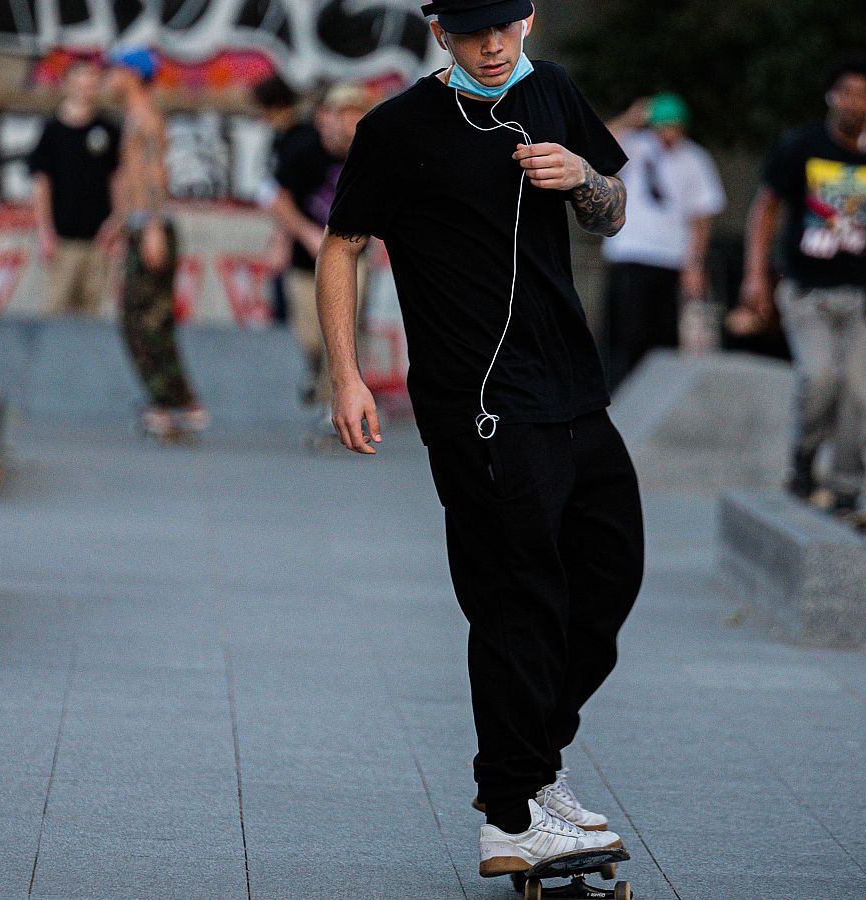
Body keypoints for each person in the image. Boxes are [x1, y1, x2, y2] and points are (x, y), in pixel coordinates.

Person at [318, 0, 637, 878]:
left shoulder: (553, 92)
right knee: (516, 597)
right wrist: (347, 376)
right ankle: (510, 810)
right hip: (482, 407)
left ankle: (535, 768)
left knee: (609, 579)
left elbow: (610, 212)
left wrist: (580, 177)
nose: (491, 46)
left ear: (528, 19)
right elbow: (340, 247)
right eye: (470, 33)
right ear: (439, 34)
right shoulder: (397, 128)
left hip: (574, 391)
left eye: (503, 26)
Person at [740, 56, 866, 512]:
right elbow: (766, 208)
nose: (853, 102)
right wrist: (755, 274)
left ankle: (846, 487)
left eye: (863, 95)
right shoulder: (801, 145)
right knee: (818, 378)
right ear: (831, 97)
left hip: (863, 293)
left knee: (861, 395)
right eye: (845, 93)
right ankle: (803, 460)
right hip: (806, 288)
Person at [105, 47, 206, 440]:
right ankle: (169, 402)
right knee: (138, 319)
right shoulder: (134, 116)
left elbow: (153, 174)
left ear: (131, 74)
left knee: (147, 321)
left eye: (114, 71)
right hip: (139, 223)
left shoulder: (145, 117)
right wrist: (119, 222)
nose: (109, 79)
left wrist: (151, 226)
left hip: (150, 225)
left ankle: (177, 403)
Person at [601, 92, 725, 387]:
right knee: (623, 335)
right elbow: (595, 145)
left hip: (670, 257)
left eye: (675, 126)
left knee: (663, 338)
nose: (669, 133)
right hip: (630, 253)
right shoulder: (634, 145)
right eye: (664, 125)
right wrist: (631, 118)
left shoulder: (695, 158)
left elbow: (701, 218)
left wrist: (694, 265)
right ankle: (617, 392)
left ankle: (652, 395)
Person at [269, 84, 370, 409]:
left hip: (353, 256)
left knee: (343, 331)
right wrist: (300, 235)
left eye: (356, 113)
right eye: (343, 113)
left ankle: (334, 406)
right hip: (306, 258)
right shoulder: (302, 149)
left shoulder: (370, 152)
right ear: (326, 117)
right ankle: (315, 371)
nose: (349, 123)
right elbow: (279, 201)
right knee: (310, 337)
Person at [28, 61, 122, 316]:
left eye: (92, 84)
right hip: (63, 241)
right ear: (68, 85)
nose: (86, 90)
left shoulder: (108, 130)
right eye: (81, 83)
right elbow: (41, 184)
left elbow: (118, 180)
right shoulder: (53, 131)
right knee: (54, 311)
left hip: (98, 241)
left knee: (90, 314)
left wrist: (117, 221)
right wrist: (45, 231)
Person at [251, 73, 315, 326]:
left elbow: (289, 195)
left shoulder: (297, 142)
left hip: (300, 237)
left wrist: (284, 237)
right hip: (292, 232)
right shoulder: (284, 139)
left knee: (295, 320)